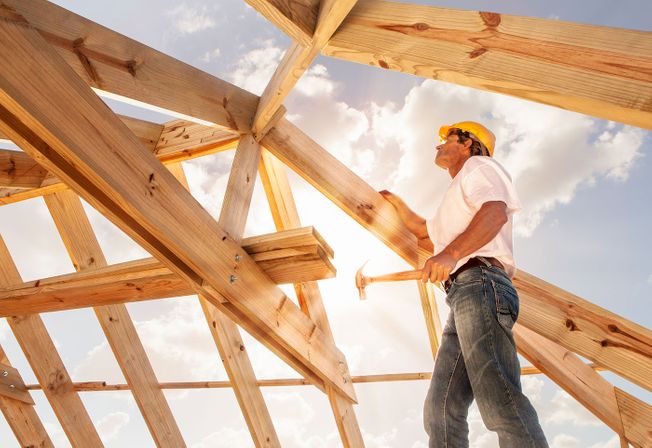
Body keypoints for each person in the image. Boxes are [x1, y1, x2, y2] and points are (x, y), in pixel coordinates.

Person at [380, 122, 548, 447]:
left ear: (467, 143)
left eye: (446, 139)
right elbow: (423, 231)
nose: (437, 145)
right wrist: (394, 202)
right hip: (463, 295)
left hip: (481, 283)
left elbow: (495, 212)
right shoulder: (456, 194)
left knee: (498, 396)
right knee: (441, 411)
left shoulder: (479, 167)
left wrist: (449, 255)